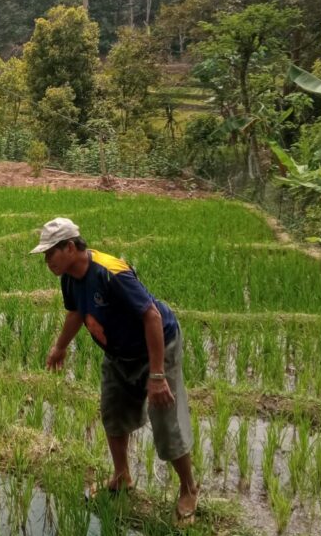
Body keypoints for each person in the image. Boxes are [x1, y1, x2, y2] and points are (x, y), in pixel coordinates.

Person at [31, 217, 198, 519]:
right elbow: (76, 313)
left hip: (156, 346)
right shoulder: (69, 277)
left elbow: (152, 317)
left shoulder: (112, 273)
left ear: (70, 246)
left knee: (165, 417)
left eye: (50, 253)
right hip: (119, 353)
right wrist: (60, 347)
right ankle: (123, 476)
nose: (47, 261)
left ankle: (189, 488)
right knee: (112, 411)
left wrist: (158, 375)